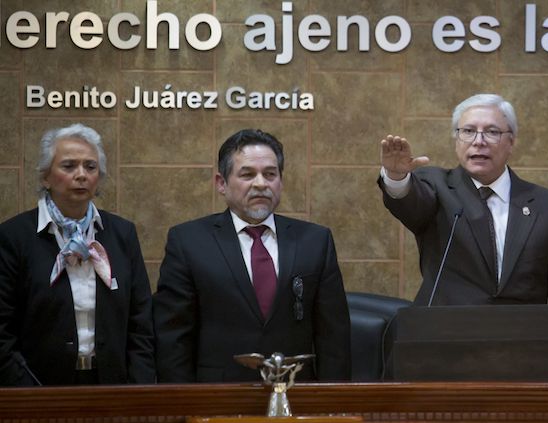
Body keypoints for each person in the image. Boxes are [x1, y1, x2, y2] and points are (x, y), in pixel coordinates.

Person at [154, 128, 351, 382]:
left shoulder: (315, 241)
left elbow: (333, 338)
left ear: (280, 181)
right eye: (247, 174)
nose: (261, 184)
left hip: (297, 396)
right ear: (221, 183)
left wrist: (333, 408)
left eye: (270, 174)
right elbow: (173, 339)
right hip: (217, 398)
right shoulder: (188, 241)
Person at [379, 94, 548, 305]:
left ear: (511, 142)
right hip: (446, 333)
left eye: (492, 132)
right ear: (456, 141)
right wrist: (397, 177)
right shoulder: (435, 186)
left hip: (523, 335)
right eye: (468, 131)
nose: (478, 142)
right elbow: (410, 202)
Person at [0, 124, 155, 386]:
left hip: (113, 386)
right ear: (46, 176)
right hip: (38, 388)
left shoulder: (121, 233)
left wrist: (138, 388)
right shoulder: (14, 236)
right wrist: (28, 393)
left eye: (90, 167)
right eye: (69, 166)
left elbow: (141, 322)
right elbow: (3, 332)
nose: (81, 175)